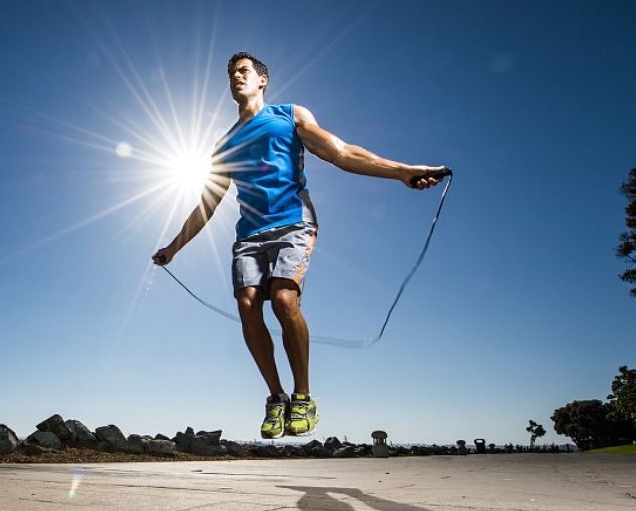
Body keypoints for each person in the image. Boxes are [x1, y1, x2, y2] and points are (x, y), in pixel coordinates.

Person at [153, 52, 445, 440]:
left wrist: (400, 172)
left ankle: (303, 397)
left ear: (262, 80)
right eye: (230, 74)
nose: (235, 77)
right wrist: (173, 248)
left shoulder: (289, 115)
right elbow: (208, 204)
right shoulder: (224, 144)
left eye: (243, 71)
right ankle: (276, 398)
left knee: (284, 300)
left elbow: (339, 152)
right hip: (249, 235)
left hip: (292, 223)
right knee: (247, 304)